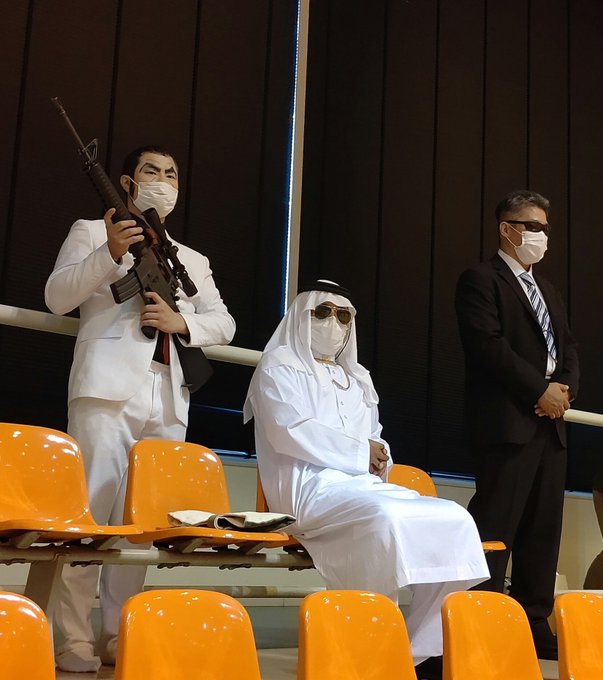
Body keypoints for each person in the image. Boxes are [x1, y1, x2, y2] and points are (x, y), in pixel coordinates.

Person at [45, 145, 236, 672]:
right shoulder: (91, 231)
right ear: (127, 182)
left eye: (172, 173)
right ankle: (73, 638)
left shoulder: (191, 260)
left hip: (168, 394)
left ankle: (118, 630)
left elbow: (224, 321)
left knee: (141, 523)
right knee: (90, 515)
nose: (163, 180)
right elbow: (57, 297)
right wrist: (109, 253)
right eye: (152, 170)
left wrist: (183, 323)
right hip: (107, 388)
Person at [244, 280, 489, 680]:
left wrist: (379, 455)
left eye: (343, 316)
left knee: (456, 519)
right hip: (307, 488)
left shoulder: (357, 377)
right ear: (302, 316)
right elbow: (288, 430)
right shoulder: (279, 365)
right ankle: (366, 645)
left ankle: (413, 651)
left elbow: (375, 436)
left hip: (363, 487)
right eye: (323, 313)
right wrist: (362, 452)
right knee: (385, 519)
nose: (333, 323)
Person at [455, 190, 579, 660]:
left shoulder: (548, 289)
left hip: (550, 424)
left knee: (543, 528)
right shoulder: (480, 280)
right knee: (497, 524)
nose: (542, 235)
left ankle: (533, 620)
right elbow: (488, 346)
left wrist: (564, 390)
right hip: (507, 421)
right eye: (533, 227)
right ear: (507, 229)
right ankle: (483, 619)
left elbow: (568, 348)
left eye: (546, 228)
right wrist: (538, 390)